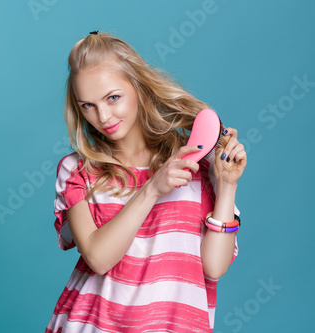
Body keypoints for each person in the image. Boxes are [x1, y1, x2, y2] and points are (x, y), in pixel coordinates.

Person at [45, 31, 247, 333]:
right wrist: (153, 187)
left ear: (138, 86)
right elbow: (98, 258)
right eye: (87, 105)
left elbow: (214, 267)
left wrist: (227, 183)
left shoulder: (195, 163)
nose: (103, 116)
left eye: (113, 98)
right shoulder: (77, 171)